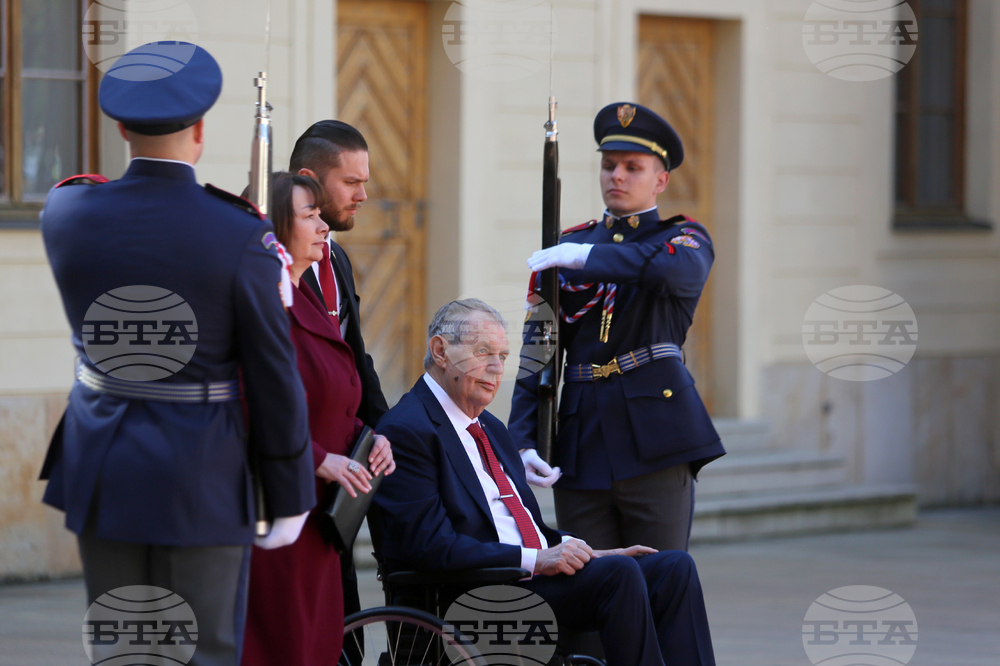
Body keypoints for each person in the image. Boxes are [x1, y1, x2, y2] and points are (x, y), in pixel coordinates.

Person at [38, 42, 314, 666]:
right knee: (202, 651)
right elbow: (274, 379)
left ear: (120, 129)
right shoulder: (240, 234)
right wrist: (289, 490)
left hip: (102, 460)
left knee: (121, 649)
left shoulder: (66, 212)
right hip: (202, 472)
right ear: (200, 130)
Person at [374, 299, 716, 666]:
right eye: (483, 352)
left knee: (673, 569)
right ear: (440, 351)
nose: (496, 368)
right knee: (619, 576)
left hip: (524, 579)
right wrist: (537, 560)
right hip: (473, 597)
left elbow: (522, 528)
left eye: (503, 356)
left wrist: (581, 550)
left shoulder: (489, 427)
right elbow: (427, 546)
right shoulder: (407, 430)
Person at [509, 102, 726, 553]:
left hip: (657, 435)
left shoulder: (681, 240)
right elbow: (540, 349)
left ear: (660, 180)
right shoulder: (569, 245)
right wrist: (524, 440)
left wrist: (587, 258)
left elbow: (675, 273)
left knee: (658, 577)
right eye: (609, 166)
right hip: (582, 439)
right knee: (587, 580)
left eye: (633, 167)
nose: (617, 176)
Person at [241, 173, 395, 666]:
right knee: (280, 648)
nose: (323, 225)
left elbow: (335, 395)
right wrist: (317, 459)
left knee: (318, 646)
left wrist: (367, 439)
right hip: (278, 510)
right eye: (308, 216)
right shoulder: (258, 304)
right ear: (273, 228)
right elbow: (243, 409)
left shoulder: (303, 295)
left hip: (322, 518)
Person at [288, 119, 390, 638]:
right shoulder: (264, 268)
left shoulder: (338, 259)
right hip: (297, 470)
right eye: (351, 182)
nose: (363, 195)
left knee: (339, 620)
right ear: (309, 180)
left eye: (364, 182)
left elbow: (354, 358)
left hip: (344, 473)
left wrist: (385, 431)